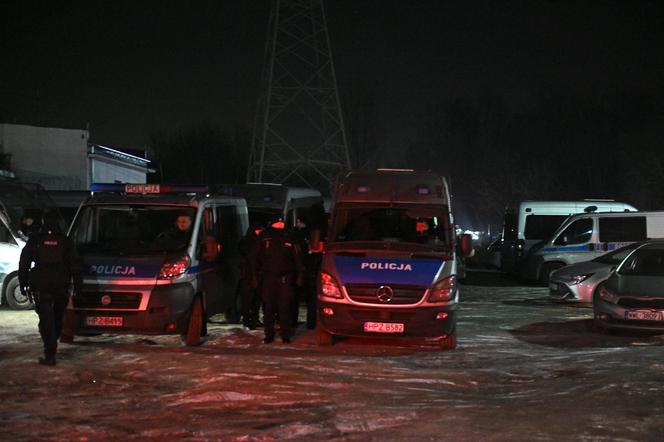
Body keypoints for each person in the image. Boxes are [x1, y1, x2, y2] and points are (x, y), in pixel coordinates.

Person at [18, 211, 82, 366]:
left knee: (46, 319)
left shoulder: (36, 240)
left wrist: (23, 283)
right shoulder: (65, 242)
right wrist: (78, 285)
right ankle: (52, 344)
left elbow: (24, 263)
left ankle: (50, 353)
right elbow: (75, 265)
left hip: (41, 285)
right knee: (57, 317)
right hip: (61, 284)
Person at [252, 218, 304, 344]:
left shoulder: (289, 237)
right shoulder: (265, 237)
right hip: (269, 277)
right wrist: (254, 276)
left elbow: (297, 258)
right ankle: (269, 334)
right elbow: (255, 258)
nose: (281, 224)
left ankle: (285, 334)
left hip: (284, 278)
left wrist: (300, 275)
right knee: (269, 307)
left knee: (284, 307)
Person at [237, 221, 263, 329]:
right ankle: (248, 320)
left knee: (255, 298)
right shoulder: (249, 242)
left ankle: (253, 319)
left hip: (253, 274)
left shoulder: (252, 241)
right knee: (249, 298)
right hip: (249, 274)